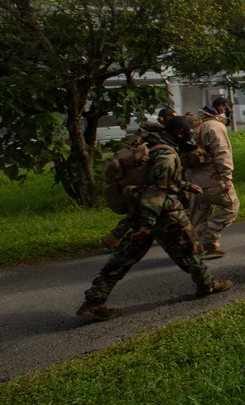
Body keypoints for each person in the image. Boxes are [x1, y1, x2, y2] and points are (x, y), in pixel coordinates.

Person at [77, 116, 233, 321]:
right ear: (179, 133)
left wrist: (186, 186)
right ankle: (207, 284)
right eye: (188, 134)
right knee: (190, 246)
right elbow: (157, 190)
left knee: (123, 257)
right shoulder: (166, 155)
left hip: (141, 209)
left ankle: (94, 301)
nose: (190, 138)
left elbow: (157, 179)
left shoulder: (150, 144)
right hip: (162, 213)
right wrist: (147, 223)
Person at [100, 107, 177, 250]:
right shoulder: (158, 135)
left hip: (139, 178)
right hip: (147, 178)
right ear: (164, 119)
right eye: (172, 117)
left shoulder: (144, 133)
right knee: (148, 209)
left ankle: (114, 236)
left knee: (139, 210)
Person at [185, 96, 239, 258]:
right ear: (221, 107)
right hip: (211, 177)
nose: (229, 111)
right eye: (228, 107)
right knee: (231, 206)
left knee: (199, 214)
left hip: (193, 177)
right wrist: (226, 176)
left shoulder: (197, 125)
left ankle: (197, 247)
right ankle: (208, 238)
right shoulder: (214, 126)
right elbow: (221, 152)